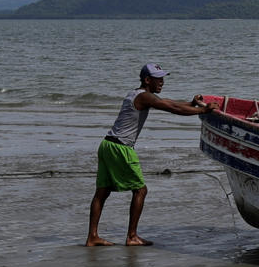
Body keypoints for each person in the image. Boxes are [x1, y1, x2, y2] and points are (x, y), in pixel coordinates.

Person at [86, 62, 218, 247]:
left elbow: (170, 103)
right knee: (140, 190)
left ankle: (92, 236)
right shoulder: (145, 97)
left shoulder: (138, 94)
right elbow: (172, 108)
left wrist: (191, 103)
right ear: (147, 80)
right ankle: (132, 237)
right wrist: (202, 110)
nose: (162, 82)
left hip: (107, 144)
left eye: (163, 78)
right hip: (122, 148)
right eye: (158, 79)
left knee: (102, 192)